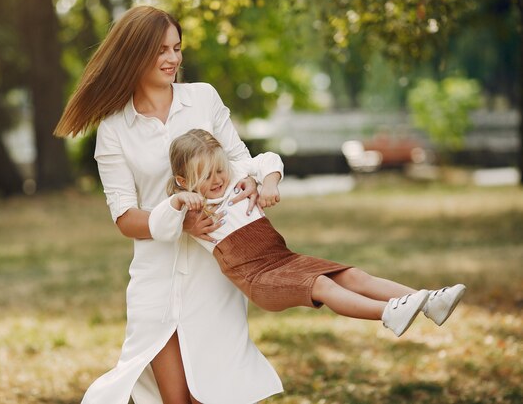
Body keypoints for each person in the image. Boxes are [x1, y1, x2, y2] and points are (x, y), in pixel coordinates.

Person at [54, 6, 283, 404]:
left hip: (213, 275)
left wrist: (252, 178)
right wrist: (180, 223)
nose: (173, 59)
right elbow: (125, 217)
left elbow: (239, 157)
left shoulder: (203, 98)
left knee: (209, 395)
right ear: (135, 53)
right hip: (155, 282)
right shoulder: (113, 128)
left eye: (177, 48)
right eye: (161, 50)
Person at [149, 129, 467, 337]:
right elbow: (160, 225)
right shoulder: (193, 209)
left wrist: (269, 183)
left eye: (220, 169)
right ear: (182, 179)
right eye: (205, 175)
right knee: (321, 284)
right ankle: (387, 313)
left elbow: (268, 159)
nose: (217, 179)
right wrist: (179, 201)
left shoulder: (235, 179)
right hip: (258, 278)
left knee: (353, 275)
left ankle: (427, 302)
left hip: (284, 259)